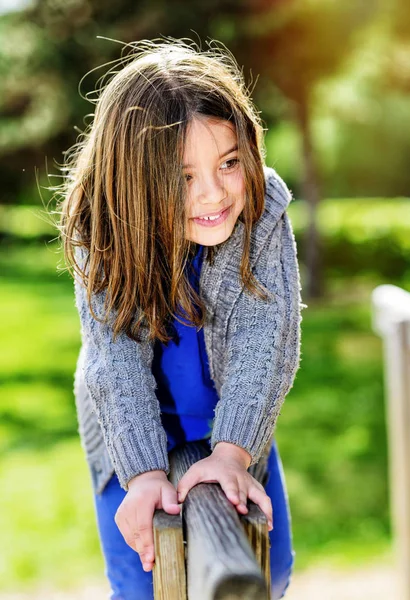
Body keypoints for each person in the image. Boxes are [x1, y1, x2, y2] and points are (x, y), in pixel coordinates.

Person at [56, 37, 305, 600]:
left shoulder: (261, 211)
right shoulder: (107, 229)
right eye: (183, 176)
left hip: (233, 421)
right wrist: (143, 475)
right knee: (141, 586)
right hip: (129, 431)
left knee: (272, 571)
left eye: (229, 162)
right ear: (135, 181)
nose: (213, 193)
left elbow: (267, 340)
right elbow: (113, 361)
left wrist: (233, 451)